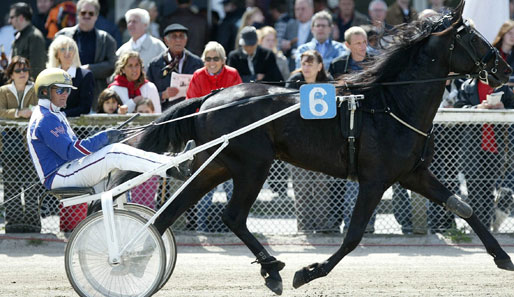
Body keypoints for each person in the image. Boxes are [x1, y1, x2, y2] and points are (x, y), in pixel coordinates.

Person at [27, 68, 191, 193]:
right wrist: (104, 137)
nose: (66, 95)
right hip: (60, 176)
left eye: (68, 90)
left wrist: (103, 140)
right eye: (61, 90)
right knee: (114, 153)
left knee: (116, 152)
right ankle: (171, 167)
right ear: (44, 91)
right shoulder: (45, 119)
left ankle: (173, 159)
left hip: (69, 169)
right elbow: (71, 151)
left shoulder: (54, 113)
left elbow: (74, 148)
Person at [185, 41, 242, 232]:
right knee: (204, 186)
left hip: (230, 139)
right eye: (208, 59)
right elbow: (192, 104)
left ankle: (236, 226)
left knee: (231, 185)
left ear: (223, 60)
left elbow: (240, 104)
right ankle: (200, 228)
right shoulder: (197, 76)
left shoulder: (232, 74)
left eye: (216, 58)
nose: (212, 62)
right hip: (206, 138)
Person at [286, 50, 339, 233]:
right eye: (304, 64)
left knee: (322, 186)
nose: (306, 67)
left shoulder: (328, 84)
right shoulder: (293, 83)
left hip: (322, 145)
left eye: (310, 63)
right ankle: (305, 227)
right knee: (301, 187)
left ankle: (323, 226)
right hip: (298, 144)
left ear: (319, 66)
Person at [454, 78, 514, 228]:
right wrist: (477, 109)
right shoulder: (467, 86)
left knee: (488, 189)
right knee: (473, 189)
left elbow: (511, 107)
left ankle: (485, 226)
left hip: (495, 148)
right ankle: (477, 226)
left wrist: (503, 108)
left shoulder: (503, 88)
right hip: (472, 148)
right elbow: (458, 107)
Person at [0, 56, 41, 233]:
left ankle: (33, 223)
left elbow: (41, 108)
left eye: (25, 69)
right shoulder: (3, 91)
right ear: (11, 73)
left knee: (32, 184)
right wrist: (18, 113)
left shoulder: (36, 89)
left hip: (32, 144)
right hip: (9, 144)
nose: (22, 73)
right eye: (18, 70)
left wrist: (30, 112)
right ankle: (13, 223)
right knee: (11, 184)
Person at [55, 0, 117, 111]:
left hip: (95, 94)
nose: (87, 16)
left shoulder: (106, 39)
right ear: (77, 14)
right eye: (83, 13)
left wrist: (88, 69)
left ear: (96, 16)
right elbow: (53, 61)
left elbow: (112, 65)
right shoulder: (62, 36)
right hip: (65, 93)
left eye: (91, 13)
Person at [146, 23, 203, 111]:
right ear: (166, 40)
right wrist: (163, 95)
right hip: (165, 114)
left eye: (181, 36)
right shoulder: (155, 65)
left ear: (186, 40)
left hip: (190, 112)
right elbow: (147, 94)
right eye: (174, 36)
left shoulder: (197, 63)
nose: (178, 40)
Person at [47, 35, 94, 117]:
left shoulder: (85, 76)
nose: (67, 52)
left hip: (77, 127)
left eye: (71, 48)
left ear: (75, 52)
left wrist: (62, 115)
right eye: (63, 49)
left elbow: (85, 107)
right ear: (56, 54)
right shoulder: (48, 75)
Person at [9, 2, 47, 79]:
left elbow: (37, 69)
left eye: (12, 17)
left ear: (21, 18)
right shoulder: (19, 36)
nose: (9, 21)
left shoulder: (35, 36)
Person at [277, 0, 314, 67]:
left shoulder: (319, 25)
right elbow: (284, 47)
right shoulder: (291, 25)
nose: (300, 12)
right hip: (294, 66)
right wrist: (284, 45)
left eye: (303, 9)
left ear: (311, 9)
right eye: (297, 9)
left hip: (312, 65)